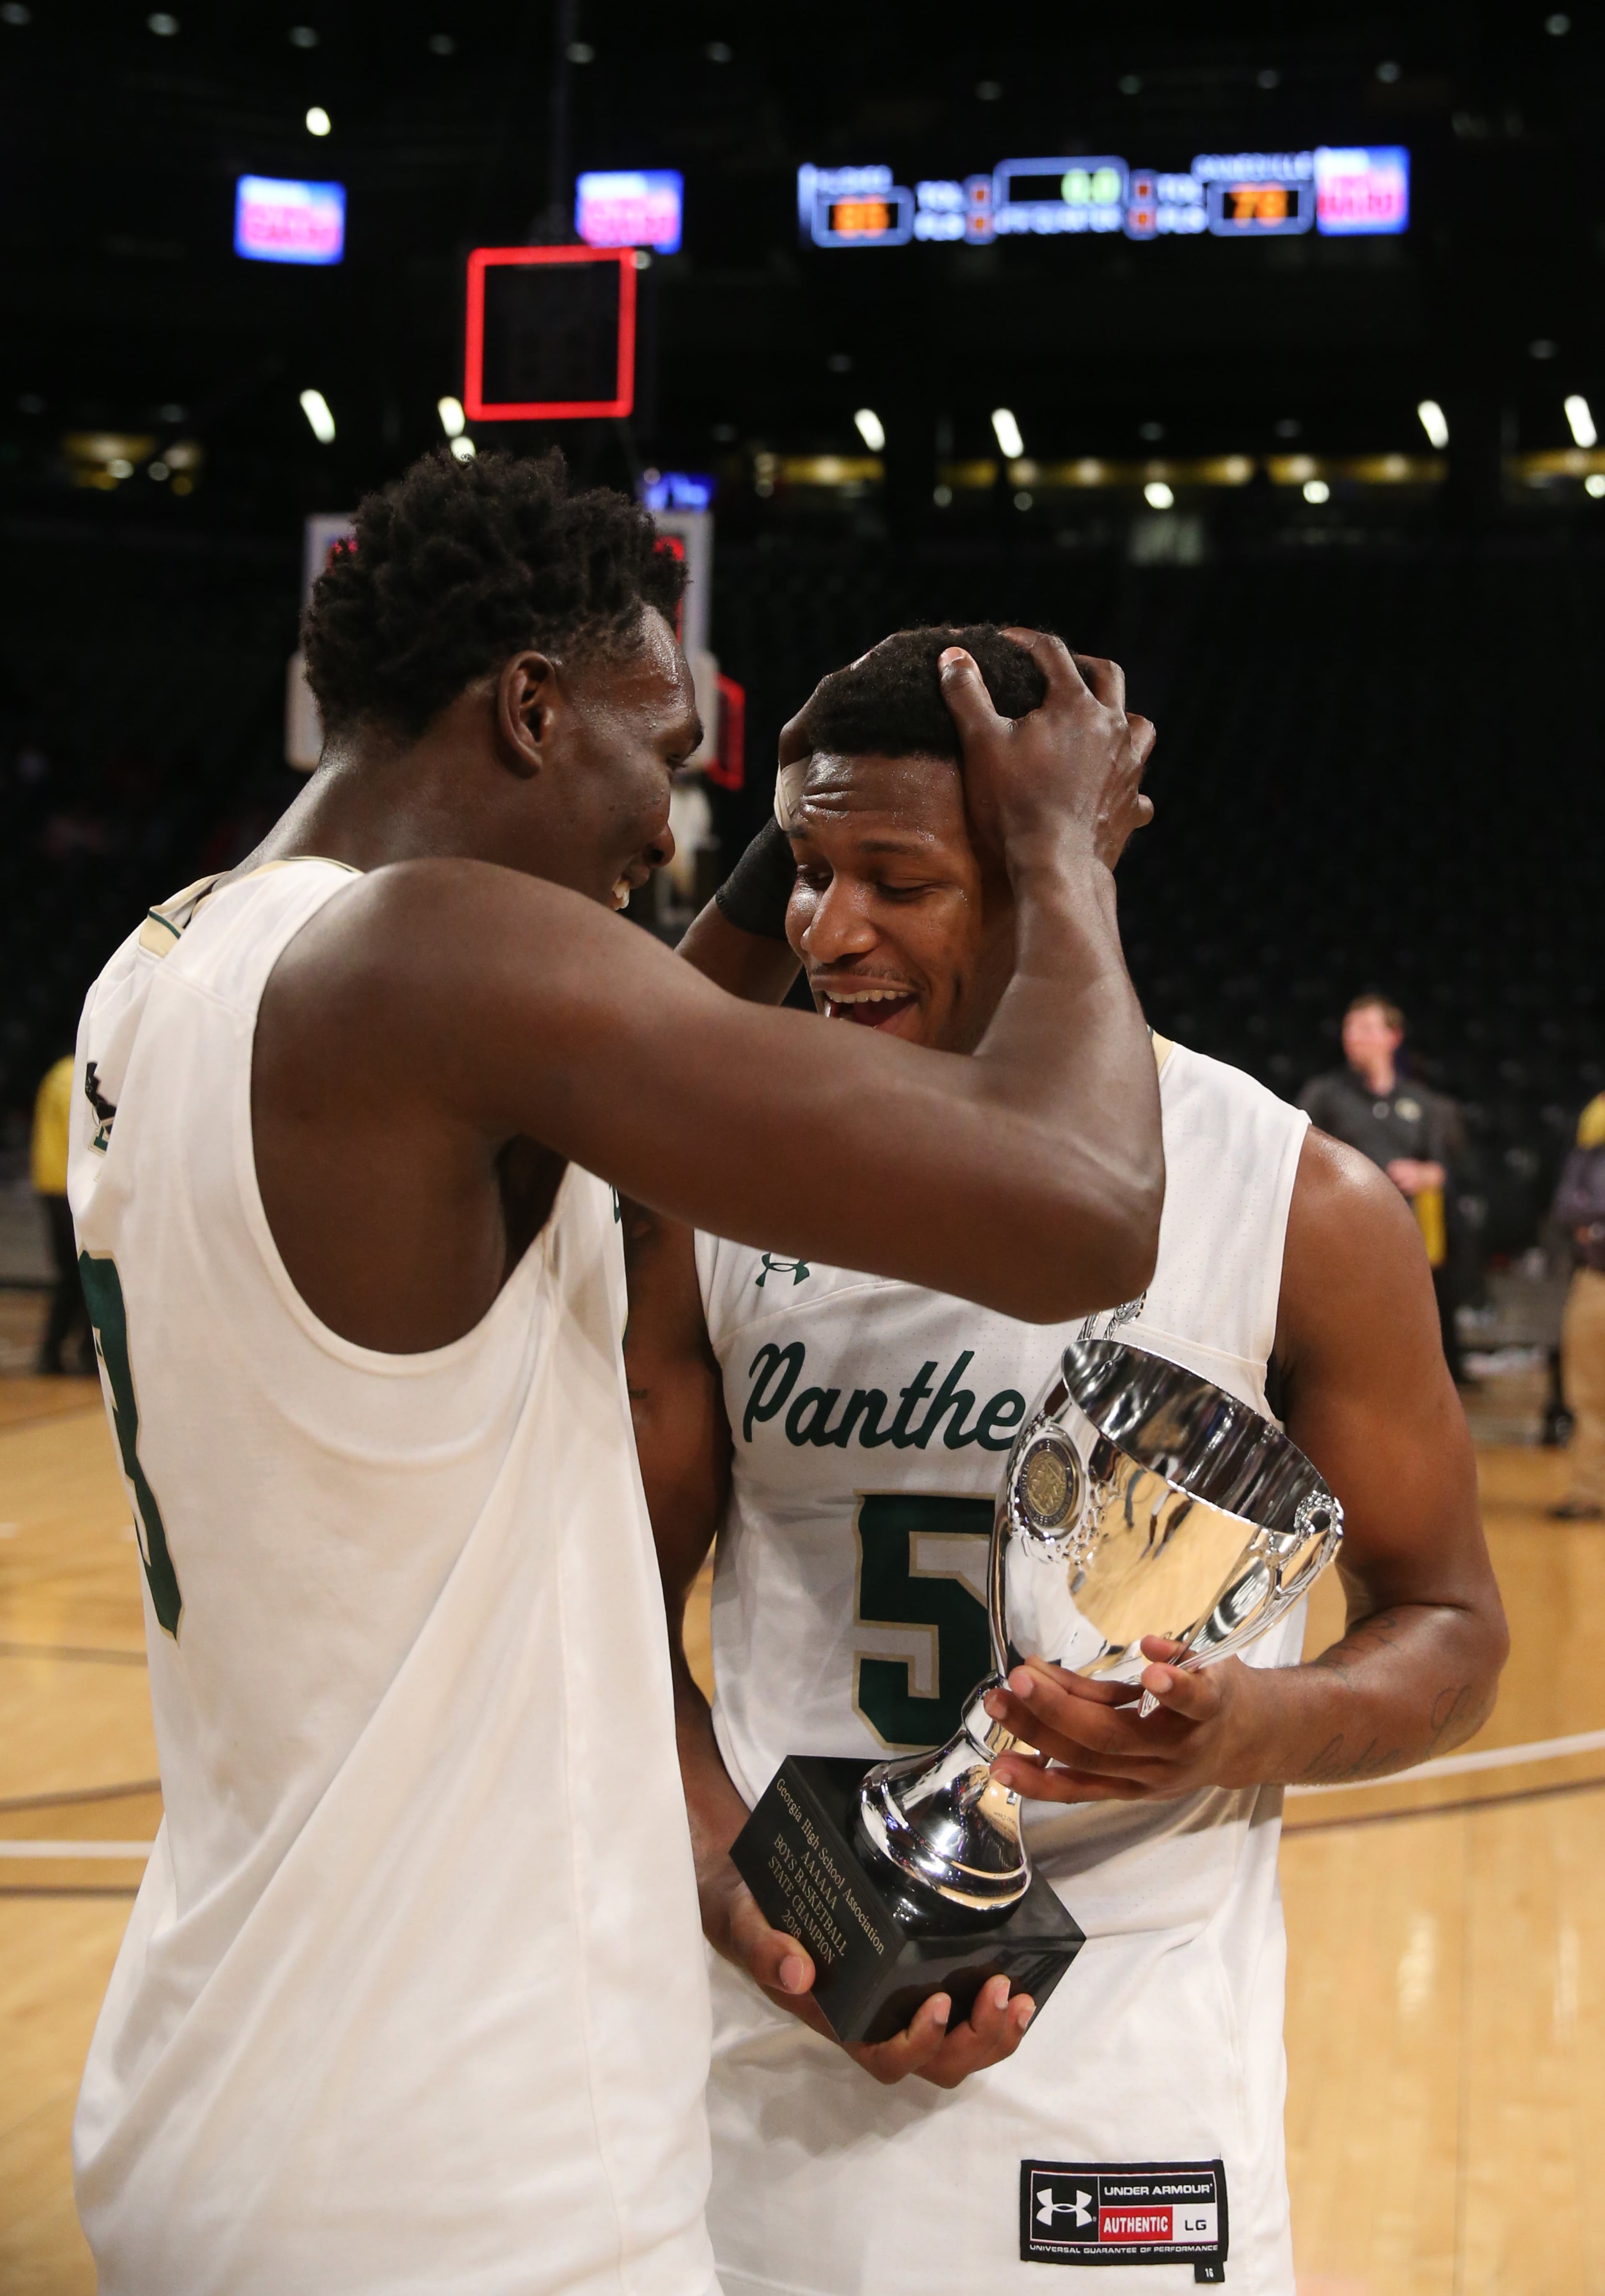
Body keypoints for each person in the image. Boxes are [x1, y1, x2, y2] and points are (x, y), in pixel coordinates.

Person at [65, 452, 1165, 2294]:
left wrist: (759, 863)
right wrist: (1059, 846)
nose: (667, 826)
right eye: (658, 760)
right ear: (524, 705)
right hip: (464, 2179)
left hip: (224, 2089)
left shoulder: (178, 969)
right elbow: (1084, 1204)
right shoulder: (432, 958)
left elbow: (646, 1068)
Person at [623, 626, 1508, 2296]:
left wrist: (1262, 1716)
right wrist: (739, 1885)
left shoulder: (1295, 1201)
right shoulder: (716, 1187)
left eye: (898, 877)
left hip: (1128, 2075)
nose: (830, 929)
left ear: (1057, 882)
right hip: (771, 2037)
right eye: (809, 872)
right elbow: (608, 1615)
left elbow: (1454, 1621)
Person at [1301, 994, 1465, 1377]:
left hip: (1405, 1238)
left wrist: (1427, 1174)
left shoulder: (1423, 1104)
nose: (1355, 1037)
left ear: (1394, 1037)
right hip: (1341, 1236)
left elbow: (1446, 1170)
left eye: (1368, 1028)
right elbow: (1298, 1150)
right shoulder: (1324, 1095)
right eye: (1350, 1028)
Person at [1549, 1092, 1605, 1519]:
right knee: (1588, 1391)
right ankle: (1590, 1493)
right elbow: (1570, 1205)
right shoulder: (1591, 1150)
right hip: (1596, 1279)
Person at [31, 1050, 92, 1374]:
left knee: (73, 1272)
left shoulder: (58, 1071)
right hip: (67, 1184)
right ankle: (64, 1352)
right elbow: (83, 1133)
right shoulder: (75, 1076)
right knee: (80, 1271)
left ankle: (62, 1351)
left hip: (51, 1181)